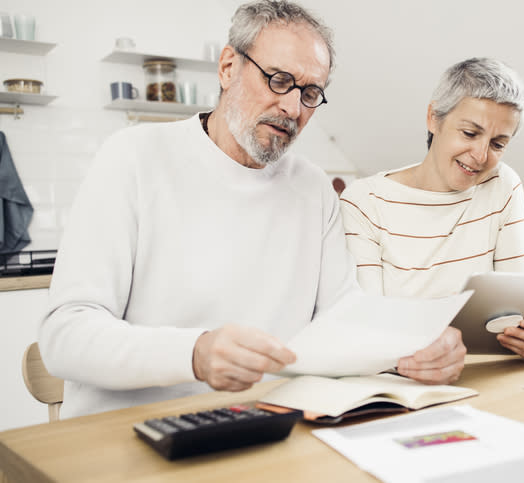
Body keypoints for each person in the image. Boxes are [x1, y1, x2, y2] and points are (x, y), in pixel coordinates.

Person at [38, 0, 463, 419]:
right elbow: (65, 336)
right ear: (228, 67)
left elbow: (343, 325)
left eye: (311, 93)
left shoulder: (314, 189)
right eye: (279, 80)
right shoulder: (132, 158)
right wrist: (194, 353)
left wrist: (410, 351)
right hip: (125, 440)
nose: (293, 108)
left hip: (268, 428)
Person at [340, 58, 524, 364]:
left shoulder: (502, 185)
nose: (481, 155)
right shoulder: (364, 201)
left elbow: (518, 310)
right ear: (434, 118)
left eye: (498, 144)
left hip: (485, 376)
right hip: (404, 382)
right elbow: (368, 327)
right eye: (470, 134)